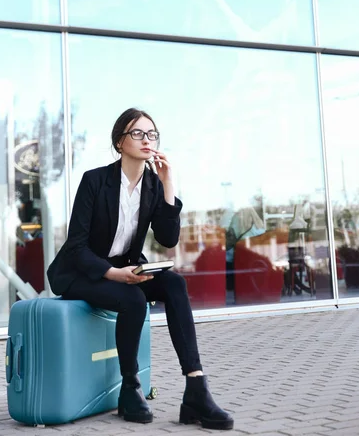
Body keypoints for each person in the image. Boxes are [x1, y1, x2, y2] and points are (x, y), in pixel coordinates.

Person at [47, 108, 234, 430]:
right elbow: (76, 246)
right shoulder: (95, 181)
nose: (146, 140)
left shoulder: (152, 184)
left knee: (174, 284)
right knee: (132, 300)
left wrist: (168, 184)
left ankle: (196, 388)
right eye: (137, 133)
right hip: (80, 273)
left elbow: (167, 238)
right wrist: (113, 274)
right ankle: (130, 387)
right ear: (119, 142)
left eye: (152, 134)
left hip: (127, 269)